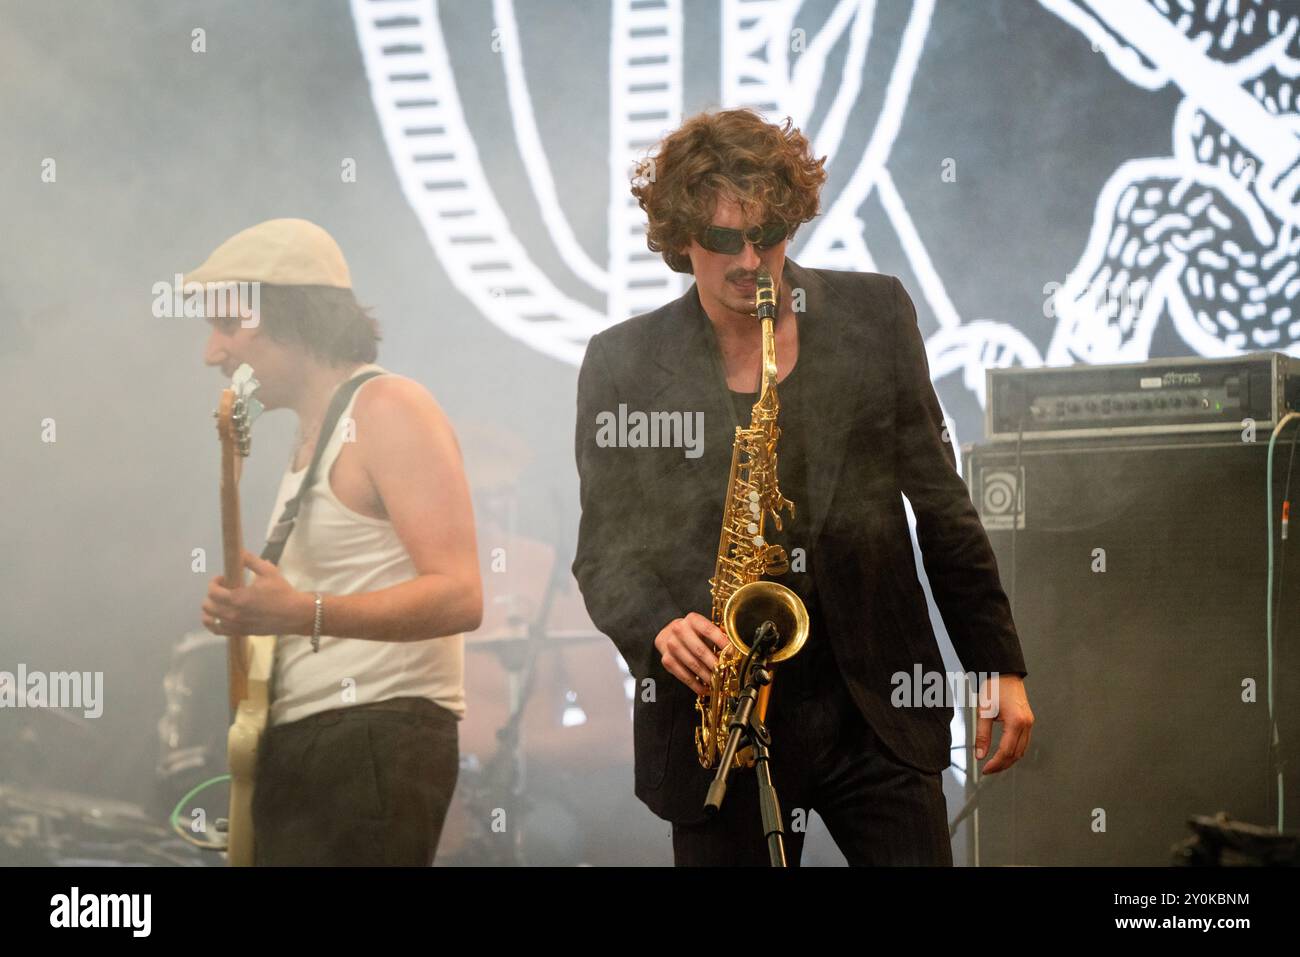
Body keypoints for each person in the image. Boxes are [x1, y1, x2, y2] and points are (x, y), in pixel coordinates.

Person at [571, 109, 1034, 865]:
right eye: (725, 239)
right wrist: (658, 625)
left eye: (772, 232)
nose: (754, 259)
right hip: (721, 719)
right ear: (680, 239)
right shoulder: (623, 362)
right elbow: (604, 555)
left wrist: (1000, 663)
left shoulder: (875, 314)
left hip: (875, 705)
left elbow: (942, 503)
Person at [193, 218, 482, 865]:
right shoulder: (311, 438)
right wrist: (253, 616)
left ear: (293, 317)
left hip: (374, 737)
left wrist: (302, 611)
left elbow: (461, 594)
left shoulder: (388, 407)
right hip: (309, 740)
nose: (213, 352)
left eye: (228, 326)